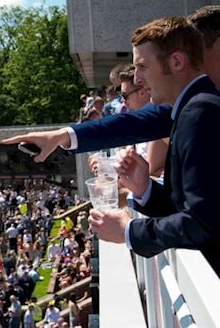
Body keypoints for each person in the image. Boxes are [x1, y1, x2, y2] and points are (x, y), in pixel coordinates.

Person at [2, 5, 220, 161]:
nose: (192, 58)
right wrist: (62, 136)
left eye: (197, 49)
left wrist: (128, 227)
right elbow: (134, 123)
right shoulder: (192, 102)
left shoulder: (200, 106)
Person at [89, 17, 220, 275]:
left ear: (177, 61)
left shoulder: (200, 111)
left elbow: (203, 222)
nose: (138, 79)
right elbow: (193, 206)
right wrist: (145, 189)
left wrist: (129, 231)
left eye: (142, 66)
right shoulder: (192, 108)